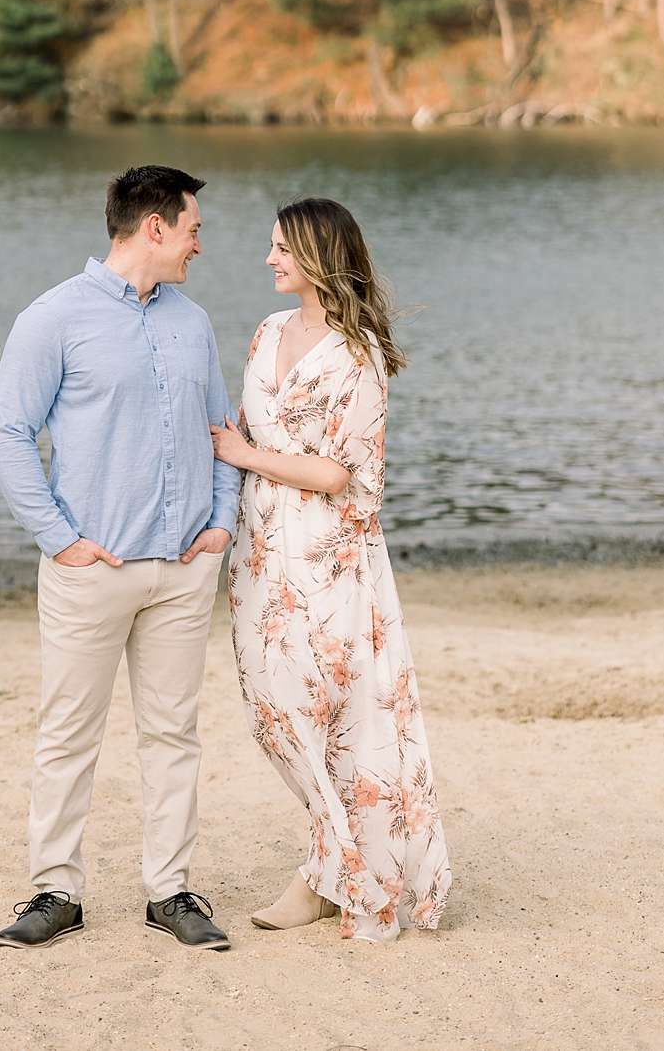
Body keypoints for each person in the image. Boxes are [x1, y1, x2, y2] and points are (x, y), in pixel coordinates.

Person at [0, 164, 238, 953]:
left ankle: (171, 891)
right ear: (154, 228)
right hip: (91, 571)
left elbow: (221, 427)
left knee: (174, 733)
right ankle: (57, 889)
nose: (202, 243)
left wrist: (222, 525)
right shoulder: (53, 318)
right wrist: (59, 539)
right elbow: (6, 435)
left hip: (182, 569)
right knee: (69, 732)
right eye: (193, 228)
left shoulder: (192, 321)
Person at [211, 196, 452, 942]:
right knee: (273, 710)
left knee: (337, 715)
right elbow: (235, 429)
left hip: (329, 557)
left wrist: (248, 457)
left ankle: (333, 872)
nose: (269, 259)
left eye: (282, 248)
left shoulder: (359, 354)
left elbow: (342, 474)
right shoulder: (265, 333)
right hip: (259, 554)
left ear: (317, 255)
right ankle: (332, 859)